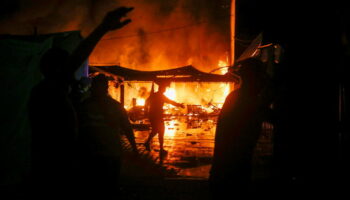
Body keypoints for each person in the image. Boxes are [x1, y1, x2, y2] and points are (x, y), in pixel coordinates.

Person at [28, 6, 134, 199]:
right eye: (66, 69)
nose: (72, 75)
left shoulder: (49, 93)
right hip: (55, 168)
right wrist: (102, 28)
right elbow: (75, 60)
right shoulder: (49, 91)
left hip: (59, 164)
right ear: (56, 70)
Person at [209, 58, 273, 197]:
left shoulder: (236, 97)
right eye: (260, 77)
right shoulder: (248, 100)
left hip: (225, 167)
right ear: (253, 78)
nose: (263, 82)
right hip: (232, 169)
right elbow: (274, 117)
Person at [76, 74, 138, 199]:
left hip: (104, 153)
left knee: (104, 187)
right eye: (94, 86)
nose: (94, 89)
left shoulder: (87, 105)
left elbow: (127, 127)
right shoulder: (85, 106)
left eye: (96, 86)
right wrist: (134, 147)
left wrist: (134, 147)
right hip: (98, 153)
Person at [144, 81, 185, 154]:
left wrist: (146, 111)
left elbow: (146, 102)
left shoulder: (154, 95)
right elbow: (170, 101)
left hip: (153, 115)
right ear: (162, 89)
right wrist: (179, 105)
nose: (165, 89)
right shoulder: (160, 96)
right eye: (164, 88)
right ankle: (158, 147)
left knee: (157, 130)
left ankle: (149, 143)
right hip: (156, 115)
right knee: (160, 130)